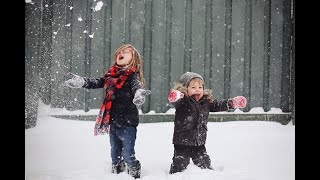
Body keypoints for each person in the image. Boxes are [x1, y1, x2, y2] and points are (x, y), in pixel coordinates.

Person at [64, 44, 151, 179]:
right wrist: (83, 82)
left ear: (134, 60)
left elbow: (136, 87)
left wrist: (139, 93)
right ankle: (116, 175)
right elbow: (97, 82)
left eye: (127, 52)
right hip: (114, 123)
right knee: (115, 155)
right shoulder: (111, 75)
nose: (122, 53)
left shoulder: (133, 77)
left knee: (128, 154)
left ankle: (135, 172)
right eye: (120, 51)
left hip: (128, 124)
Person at [167, 72, 247, 174]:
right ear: (184, 88)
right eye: (193, 87)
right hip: (182, 140)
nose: (197, 89)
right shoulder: (183, 101)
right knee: (180, 163)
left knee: (204, 163)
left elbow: (218, 105)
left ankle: (207, 176)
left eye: (200, 87)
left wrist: (231, 103)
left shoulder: (205, 102)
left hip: (199, 140)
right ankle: (175, 176)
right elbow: (175, 101)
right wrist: (176, 96)